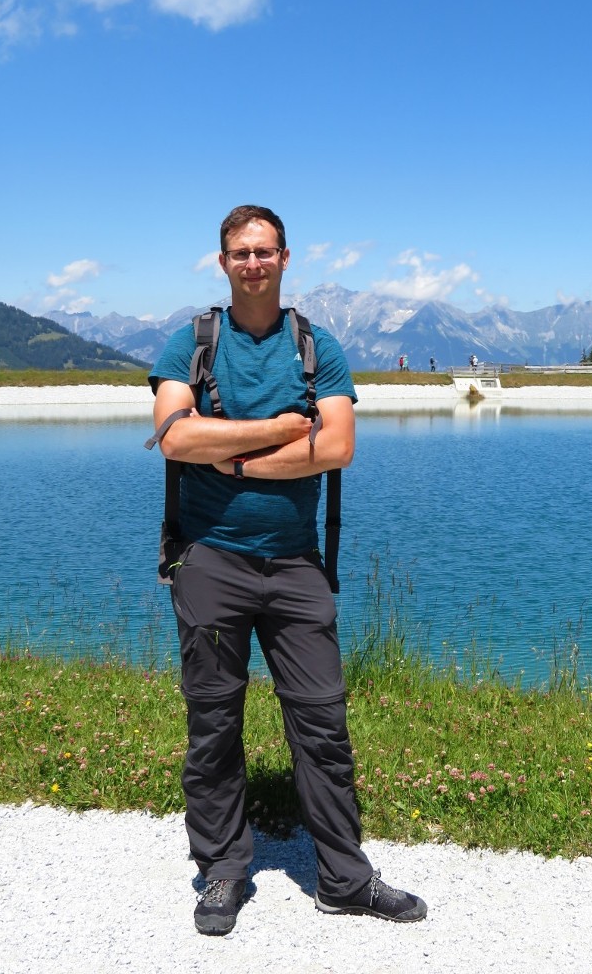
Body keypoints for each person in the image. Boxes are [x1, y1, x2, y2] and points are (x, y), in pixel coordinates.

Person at [150, 204, 427, 936]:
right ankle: (222, 871)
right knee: (213, 721)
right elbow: (174, 436)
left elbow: (336, 447)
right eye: (240, 252)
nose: (253, 263)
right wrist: (275, 432)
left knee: (323, 722)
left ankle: (343, 876)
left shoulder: (317, 346)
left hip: (297, 564)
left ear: (285, 257)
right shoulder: (193, 343)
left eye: (264, 251)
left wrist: (229, 453)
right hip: (210, 559)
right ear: (223, 263)